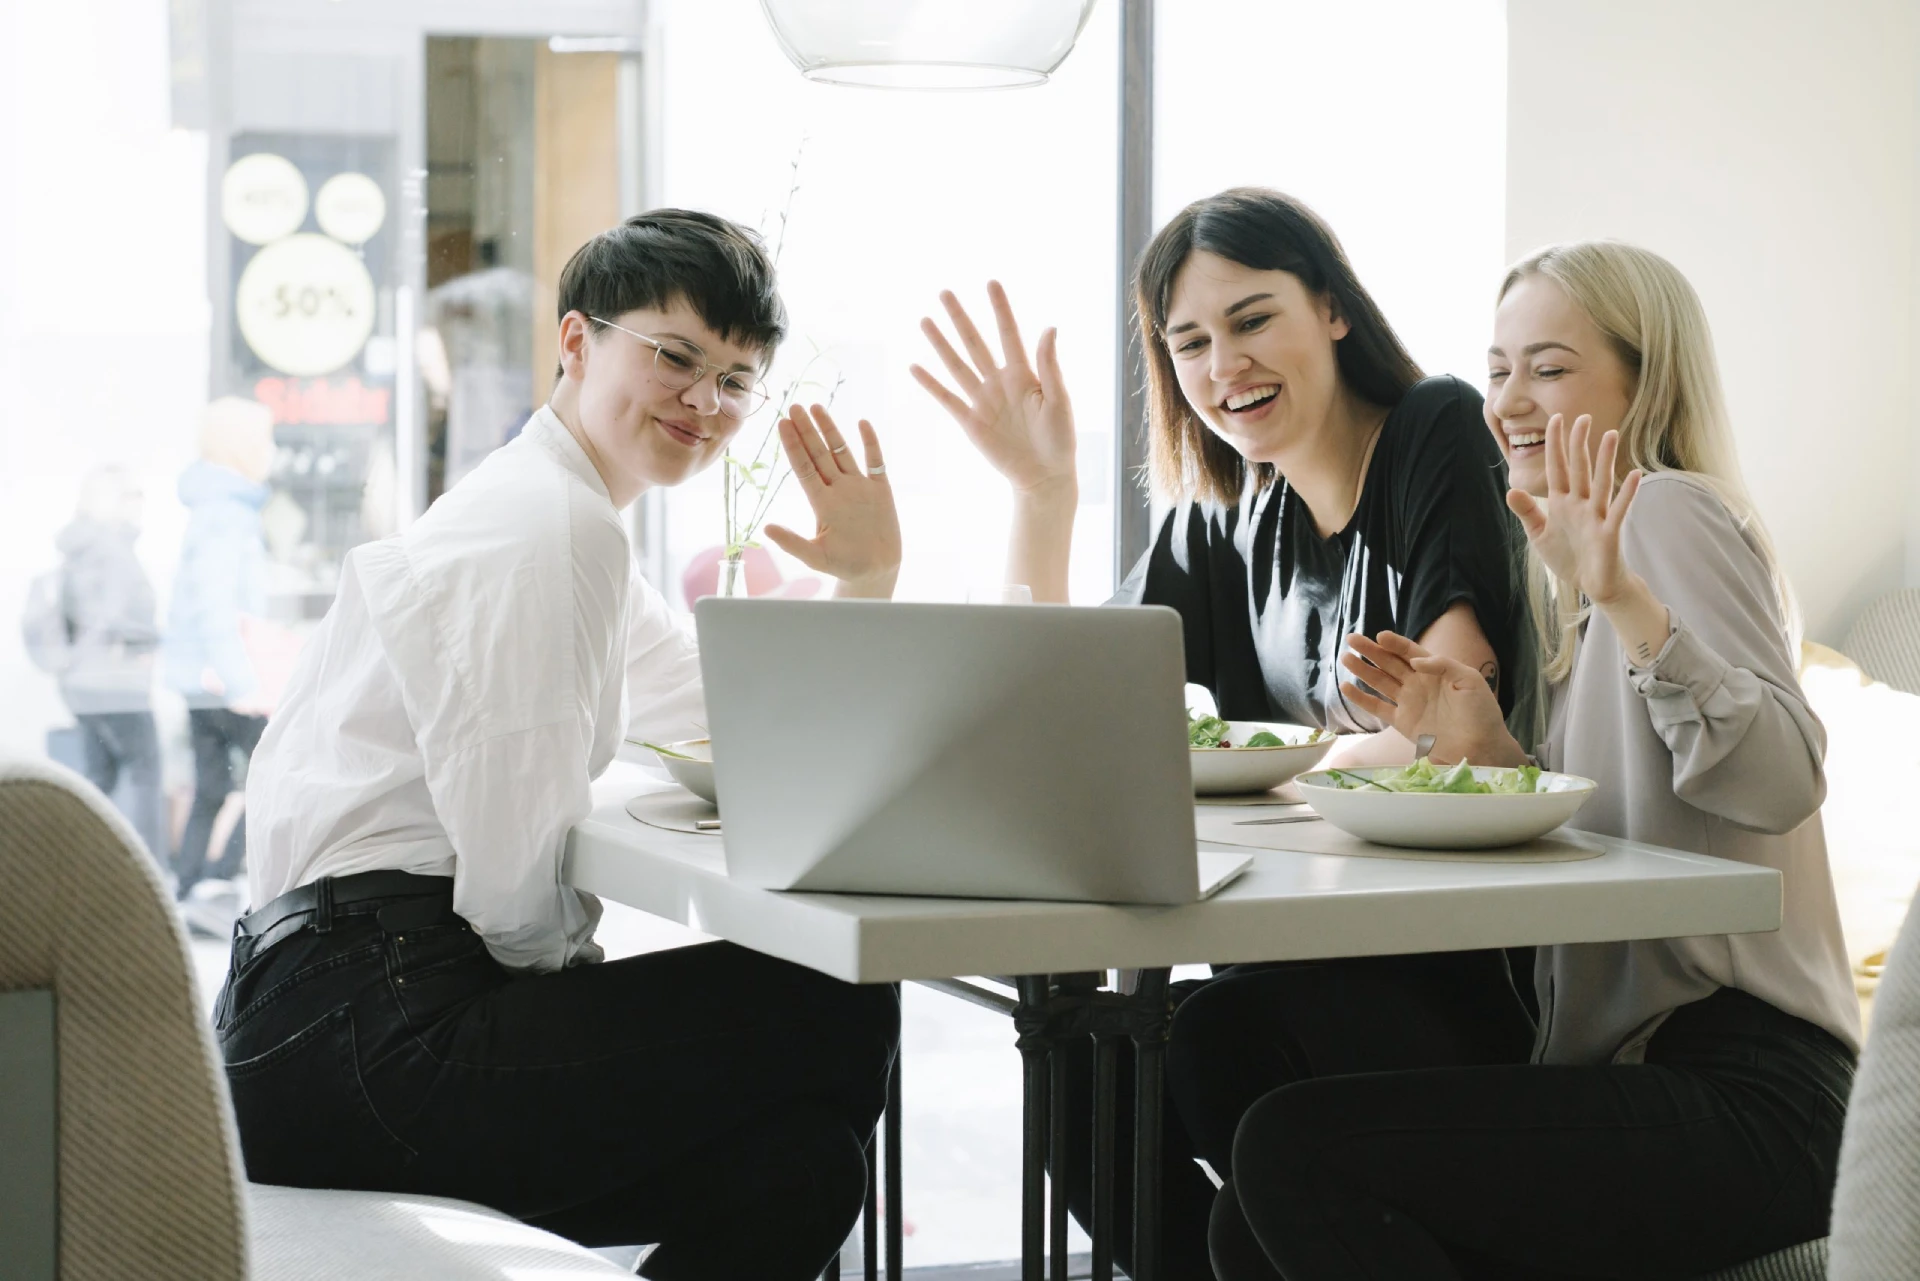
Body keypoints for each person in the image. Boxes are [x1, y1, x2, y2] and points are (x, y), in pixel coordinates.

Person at [218, 209, 904, 1280]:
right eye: (675, 357)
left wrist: (865, 577)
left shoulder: (557, 510)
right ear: (578, 341)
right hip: (369, 1028)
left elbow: (724, 710)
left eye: (736, 379)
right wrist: (587, 1015)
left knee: (799, 1167)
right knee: (837, 996)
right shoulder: (549, 524)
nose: (705, 401)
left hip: (311, 1029)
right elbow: (515, 877)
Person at [1210, 241, 1860, 1280]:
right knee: (1249, 1189)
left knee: (1294, 1151)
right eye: (1499, 368)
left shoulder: (1667, 513)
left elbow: (1782, 778)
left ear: (1646, 384)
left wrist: (1626, 601)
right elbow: (1636, 820)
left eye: (1549, 369)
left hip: (1757, 1092)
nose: (1508, 401)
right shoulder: (1579, 573)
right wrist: (1493, 753)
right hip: (1648, 1069)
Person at [914, 187, 1535, 1275]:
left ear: (1332, 310)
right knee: (1080, 1069)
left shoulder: (1434, 428)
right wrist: (1044, 493)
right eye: (1190, 342)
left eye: (1252, 320)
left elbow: (1442, 723)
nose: (1223, 366)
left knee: (1210, 1042)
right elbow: (1067, 703)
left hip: (1442, 963)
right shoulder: (1227, 508)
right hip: (1292, 951)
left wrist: (1279, 773)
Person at [164, 396, 276, 901]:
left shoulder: (212, 507)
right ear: (242, 446)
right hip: (224, 678)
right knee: (276, 775)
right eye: (265, 440)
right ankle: (218, 879)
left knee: (212, 786)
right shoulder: (227, 513)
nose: (271, 451)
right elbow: (215, 606)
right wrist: (243, 683)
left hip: (203, 676)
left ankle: (195, 886)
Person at [26, 465, 168, 862]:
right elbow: (117, 617)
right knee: (144, 776)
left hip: (81, 683)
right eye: (132, 495)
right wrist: (150, 640)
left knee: (99, 778)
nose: (139, 505)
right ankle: (146, 873)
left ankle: (79, 865)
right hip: (116, 682)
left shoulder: (78, 546)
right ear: (114, 501)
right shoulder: (111, 549)